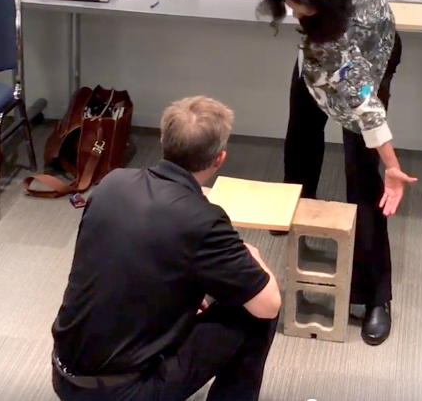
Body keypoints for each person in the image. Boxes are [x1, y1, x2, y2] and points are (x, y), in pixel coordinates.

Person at [257, 0, 417, 346]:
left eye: (302, 10)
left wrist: (392, 165)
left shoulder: (335, 49)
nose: (293, 13)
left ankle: (375, 297)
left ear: (325, 7)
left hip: (365, 62)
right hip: (316, 65)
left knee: (364, 176)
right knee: (301, 138)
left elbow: (367, 110)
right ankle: (293, 211)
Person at [51, 96, 281, 401]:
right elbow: (269, 304)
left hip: (64, 374)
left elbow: (114, 261)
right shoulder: (204, 220)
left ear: (162, 140)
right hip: (123, 393)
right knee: (254, 307)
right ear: (219, 159)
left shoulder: (111, 183)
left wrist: (183, 296)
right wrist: (254, 256)